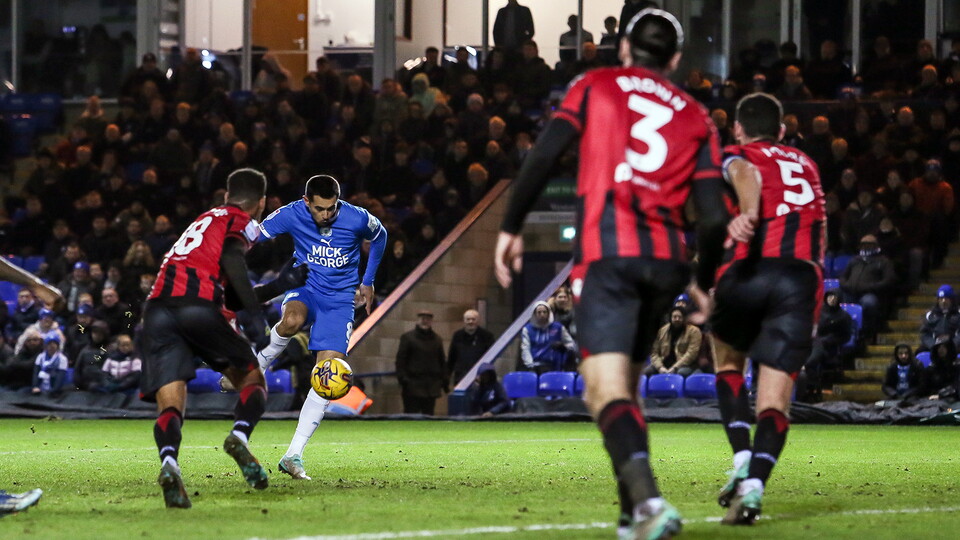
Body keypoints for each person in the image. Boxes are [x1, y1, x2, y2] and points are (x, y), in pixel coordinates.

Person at [494, 9, 728, 538]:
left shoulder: (594, 85)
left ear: (623, 48)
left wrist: (511, 226)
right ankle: (630, 519)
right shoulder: (697, 116)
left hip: (609, 258)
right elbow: (714, 218)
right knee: (629, 389)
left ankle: (649, 504)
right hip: (666, 264)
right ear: (674, 60)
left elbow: (544, 155)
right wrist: (703, 281)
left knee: (603, 391)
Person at [139, 168, 304, 508]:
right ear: (261, 203)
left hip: (156, 311)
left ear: (227, 194)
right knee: (253, 379)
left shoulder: (204, 221)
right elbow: (232, 258)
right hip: (197, 307)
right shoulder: (240, 219)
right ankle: (239, 436)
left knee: (171, 404)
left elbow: (229, 295)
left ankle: (169, 463)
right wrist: (256, 319)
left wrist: (276, 287)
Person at [704, 93, 825, 525]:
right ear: (782, 130)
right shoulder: (807, 164)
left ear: (738, 128)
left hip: (749, 269)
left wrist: (750, 212)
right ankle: (754, 486)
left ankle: (741, 459)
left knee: (727, 362)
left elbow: (743, 171)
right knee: (775, 400)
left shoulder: (735, 153)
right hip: (801, 278)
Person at [253, 174, 386, 480]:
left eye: (331, 208)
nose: (326, 214)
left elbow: (381, 236)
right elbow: (253, 236)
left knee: (327, 376)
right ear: (306, 202)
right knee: (291, 321)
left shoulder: (357, 218)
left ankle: (293, 454)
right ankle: (258, 365)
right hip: (306, 287)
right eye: (319, 208)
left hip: (339, 301)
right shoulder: (291, 213)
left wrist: (368, 280)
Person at [803, 289, 853, 399]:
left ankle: (813, 387)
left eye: (835, 297)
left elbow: (846, 336)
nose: (832, 299)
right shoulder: (819, 312)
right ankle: (810, 387)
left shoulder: (843, 316)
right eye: (830, 297)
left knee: (811, 361)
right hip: (814, 342)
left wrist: (829, 340)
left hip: (830, 347)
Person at [395, 310, 447, 415]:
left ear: (431, 321)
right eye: (423, 318)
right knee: (411, 415)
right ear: (418, 320)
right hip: (412, 385)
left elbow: (442, 361)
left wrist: (444, 380)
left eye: (428, 319)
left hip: (431, 387)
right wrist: (403, 379)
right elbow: (400, 360)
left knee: (429, 415)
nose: (425, 321)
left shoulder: (437, 339)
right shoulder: (408, 338)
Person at [519, 301, 577, 373]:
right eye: (539, 312)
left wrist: (564, 347)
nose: (542, 314)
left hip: (556, 366)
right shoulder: (527, 329)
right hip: (535, 366)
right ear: (534, 314)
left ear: (549, 313)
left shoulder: (558, 327)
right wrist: (530, 365)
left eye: (544, 312)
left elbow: (571, 344)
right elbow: (525, 348)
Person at [645, 307, 701, 377]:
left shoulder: (694, 331)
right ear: (670, 318)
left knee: (681, 372)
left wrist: (675, 367)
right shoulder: (662, 331)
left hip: (684, 364)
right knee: (647, 372)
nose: (677, 319)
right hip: (664, 363)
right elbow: (654, 352)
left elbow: (691, 353)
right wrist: (660, 367)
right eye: (674, 317)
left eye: (680, 317)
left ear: (684, 318)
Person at [448, 308, 496, 386]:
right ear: (464, 321)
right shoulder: (457, 336)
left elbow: (491, 358)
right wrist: (447, 376)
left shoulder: (487, 336)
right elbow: (452, 358)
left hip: (482, 380)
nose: (470, 322)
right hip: (461, 378)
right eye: (468, 319)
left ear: (478, 321)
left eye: (473, 319)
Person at [919, 285, 960, 352]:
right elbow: (924, 334)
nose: (943, 301)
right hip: (934, 349)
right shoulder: (930, 315)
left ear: (952, 300)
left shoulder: (958, 314)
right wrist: (934, 345)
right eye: (941, 298)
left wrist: (952, 344)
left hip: (955, 349)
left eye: (946, 298)